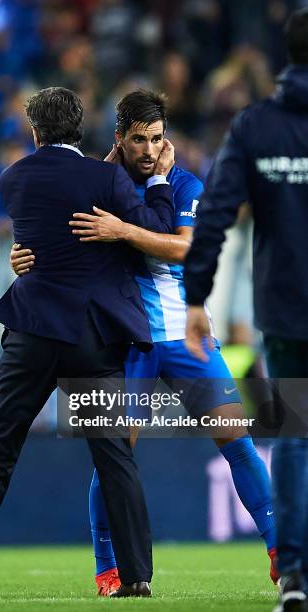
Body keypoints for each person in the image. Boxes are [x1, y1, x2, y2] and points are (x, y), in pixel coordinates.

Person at [11, 89, 277, 597]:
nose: (149, 149)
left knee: (237, 443)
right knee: (114, 456)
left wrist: (122, 231)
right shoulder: (98, 184)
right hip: (126, 341)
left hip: (183, 339)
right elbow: (51, 236)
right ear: (120, 138)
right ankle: (108, 569)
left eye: (157, 138)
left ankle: (279, 555)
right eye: (138, 139)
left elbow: (186, 248)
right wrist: (21, 257)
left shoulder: (182, 184)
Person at [0, 86, 176, 598]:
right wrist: (155, 180)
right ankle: (136, 578)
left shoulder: (13, 178)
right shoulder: (106, 177)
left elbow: (35, 242)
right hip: (91, 334)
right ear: (81, 127)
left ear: (35, 133)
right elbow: (154, 228)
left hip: (33, 332)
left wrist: (22, 257)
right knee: (113, 456)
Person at [182, 9, 308, 612]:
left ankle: (296, 573)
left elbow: (213, 216)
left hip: (285, 308)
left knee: (295, 437)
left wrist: (195, 297)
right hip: (284, 310)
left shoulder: (255, 127)